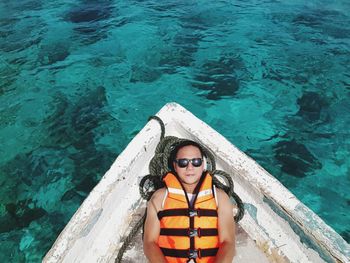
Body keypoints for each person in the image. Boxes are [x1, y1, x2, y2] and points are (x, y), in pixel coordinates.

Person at [143, 140, 236, 263]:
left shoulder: (220, 197)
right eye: (183, 162)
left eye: (196, 162)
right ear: (175, 166)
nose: (190, 167)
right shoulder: (160, 197)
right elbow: (149, 242)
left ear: (203, 165)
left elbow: (228, 242)